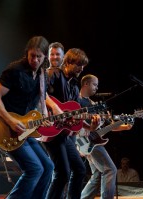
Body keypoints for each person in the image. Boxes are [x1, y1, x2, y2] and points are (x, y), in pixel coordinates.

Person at [0, 35, 63, 199]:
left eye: (39, 57)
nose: (35, 60)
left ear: (44, 57)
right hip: (6, 128)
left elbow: (42, 98)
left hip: (26, 128)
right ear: (26, 54)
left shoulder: (42, 75)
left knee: (48, 167)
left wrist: (52, 111)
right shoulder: (14, 70)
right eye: (32, 56)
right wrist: (10, 120)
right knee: (34, 169)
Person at [41, 48, 101, 199]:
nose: (81, 69)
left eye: (83, 66)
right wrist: (54, 108)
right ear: (67, 63)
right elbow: (41, 93)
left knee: (80, 169)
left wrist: (90, 127)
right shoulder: (54, 74)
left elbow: (75, 117)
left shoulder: (74, 86)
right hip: (51, 129)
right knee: (62, 173)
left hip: (64, 134)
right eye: (79, 64)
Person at [78, 74, 133, 199]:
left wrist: (125, 126)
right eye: (95, 84)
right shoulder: (77, 101)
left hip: (92, 141)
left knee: (98, 174)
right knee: (110, 170)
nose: (97, 88)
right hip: (84, 140)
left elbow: (109, 126)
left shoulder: (94, 105)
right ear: (86, 83)